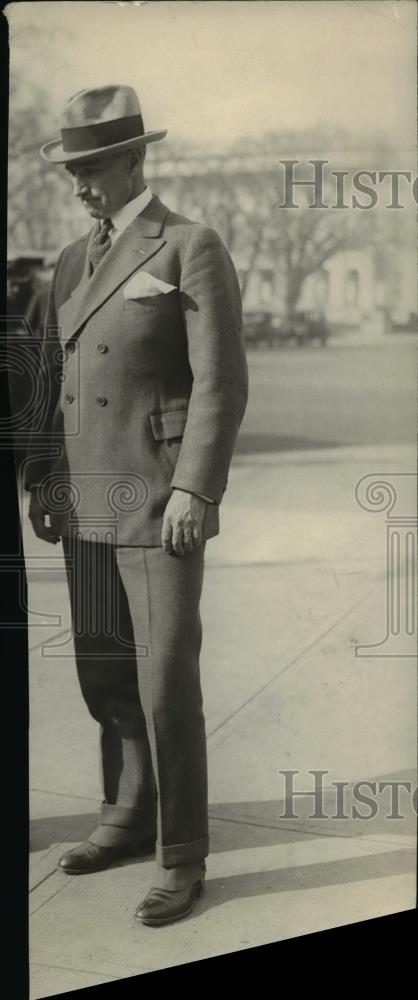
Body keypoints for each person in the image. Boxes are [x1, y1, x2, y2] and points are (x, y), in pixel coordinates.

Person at [25, 85, 248, 926]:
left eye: (92, 167)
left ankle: (183, 855)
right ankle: (125, 816)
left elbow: (222, 381)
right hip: (85, 497)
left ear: (135, 159)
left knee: (163, 683)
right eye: (70, 170)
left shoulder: (190, 244)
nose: (80, 184)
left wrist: (197, 486)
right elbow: (52, 379)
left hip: (159, 500)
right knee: (106, 675)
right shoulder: (72, 261)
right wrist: (44, 476)